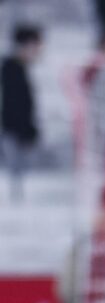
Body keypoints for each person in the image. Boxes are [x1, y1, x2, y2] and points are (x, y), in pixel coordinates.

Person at [1, 24, 43, 201]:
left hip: (16, 128)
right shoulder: (11, 69)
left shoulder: (19, 68)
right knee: (15, 169)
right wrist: (25, 130)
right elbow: (15, 104)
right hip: (12, 128)